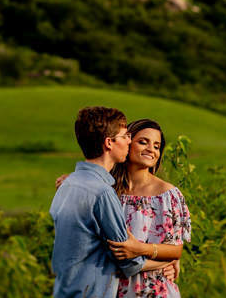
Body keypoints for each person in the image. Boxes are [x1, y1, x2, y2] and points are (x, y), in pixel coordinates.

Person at [50, 106, 175, 298]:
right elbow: (127, 261)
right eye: (126, 136)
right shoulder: (103, 193)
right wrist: (166, 261)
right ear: (109, 143)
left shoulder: (68, 184)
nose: (129, 140)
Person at [106, 118, 192, 298]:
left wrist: (139, 249)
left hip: (155, 290)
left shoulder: (168, 195)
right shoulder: (108, 190)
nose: (151, 149)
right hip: (111, 287)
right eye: (143, 142)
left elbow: (175, 249)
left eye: (156, 146)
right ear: (127, 144)